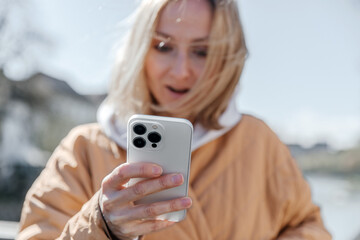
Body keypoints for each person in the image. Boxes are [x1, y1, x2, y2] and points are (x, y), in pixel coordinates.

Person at [18, 0, 332, 239]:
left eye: (202, 52)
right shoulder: (83, 151)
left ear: (226, 59)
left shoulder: (258, 141)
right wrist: (101, 225)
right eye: (163, 46)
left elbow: (310, 227)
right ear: (140, 49)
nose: (181, 71)